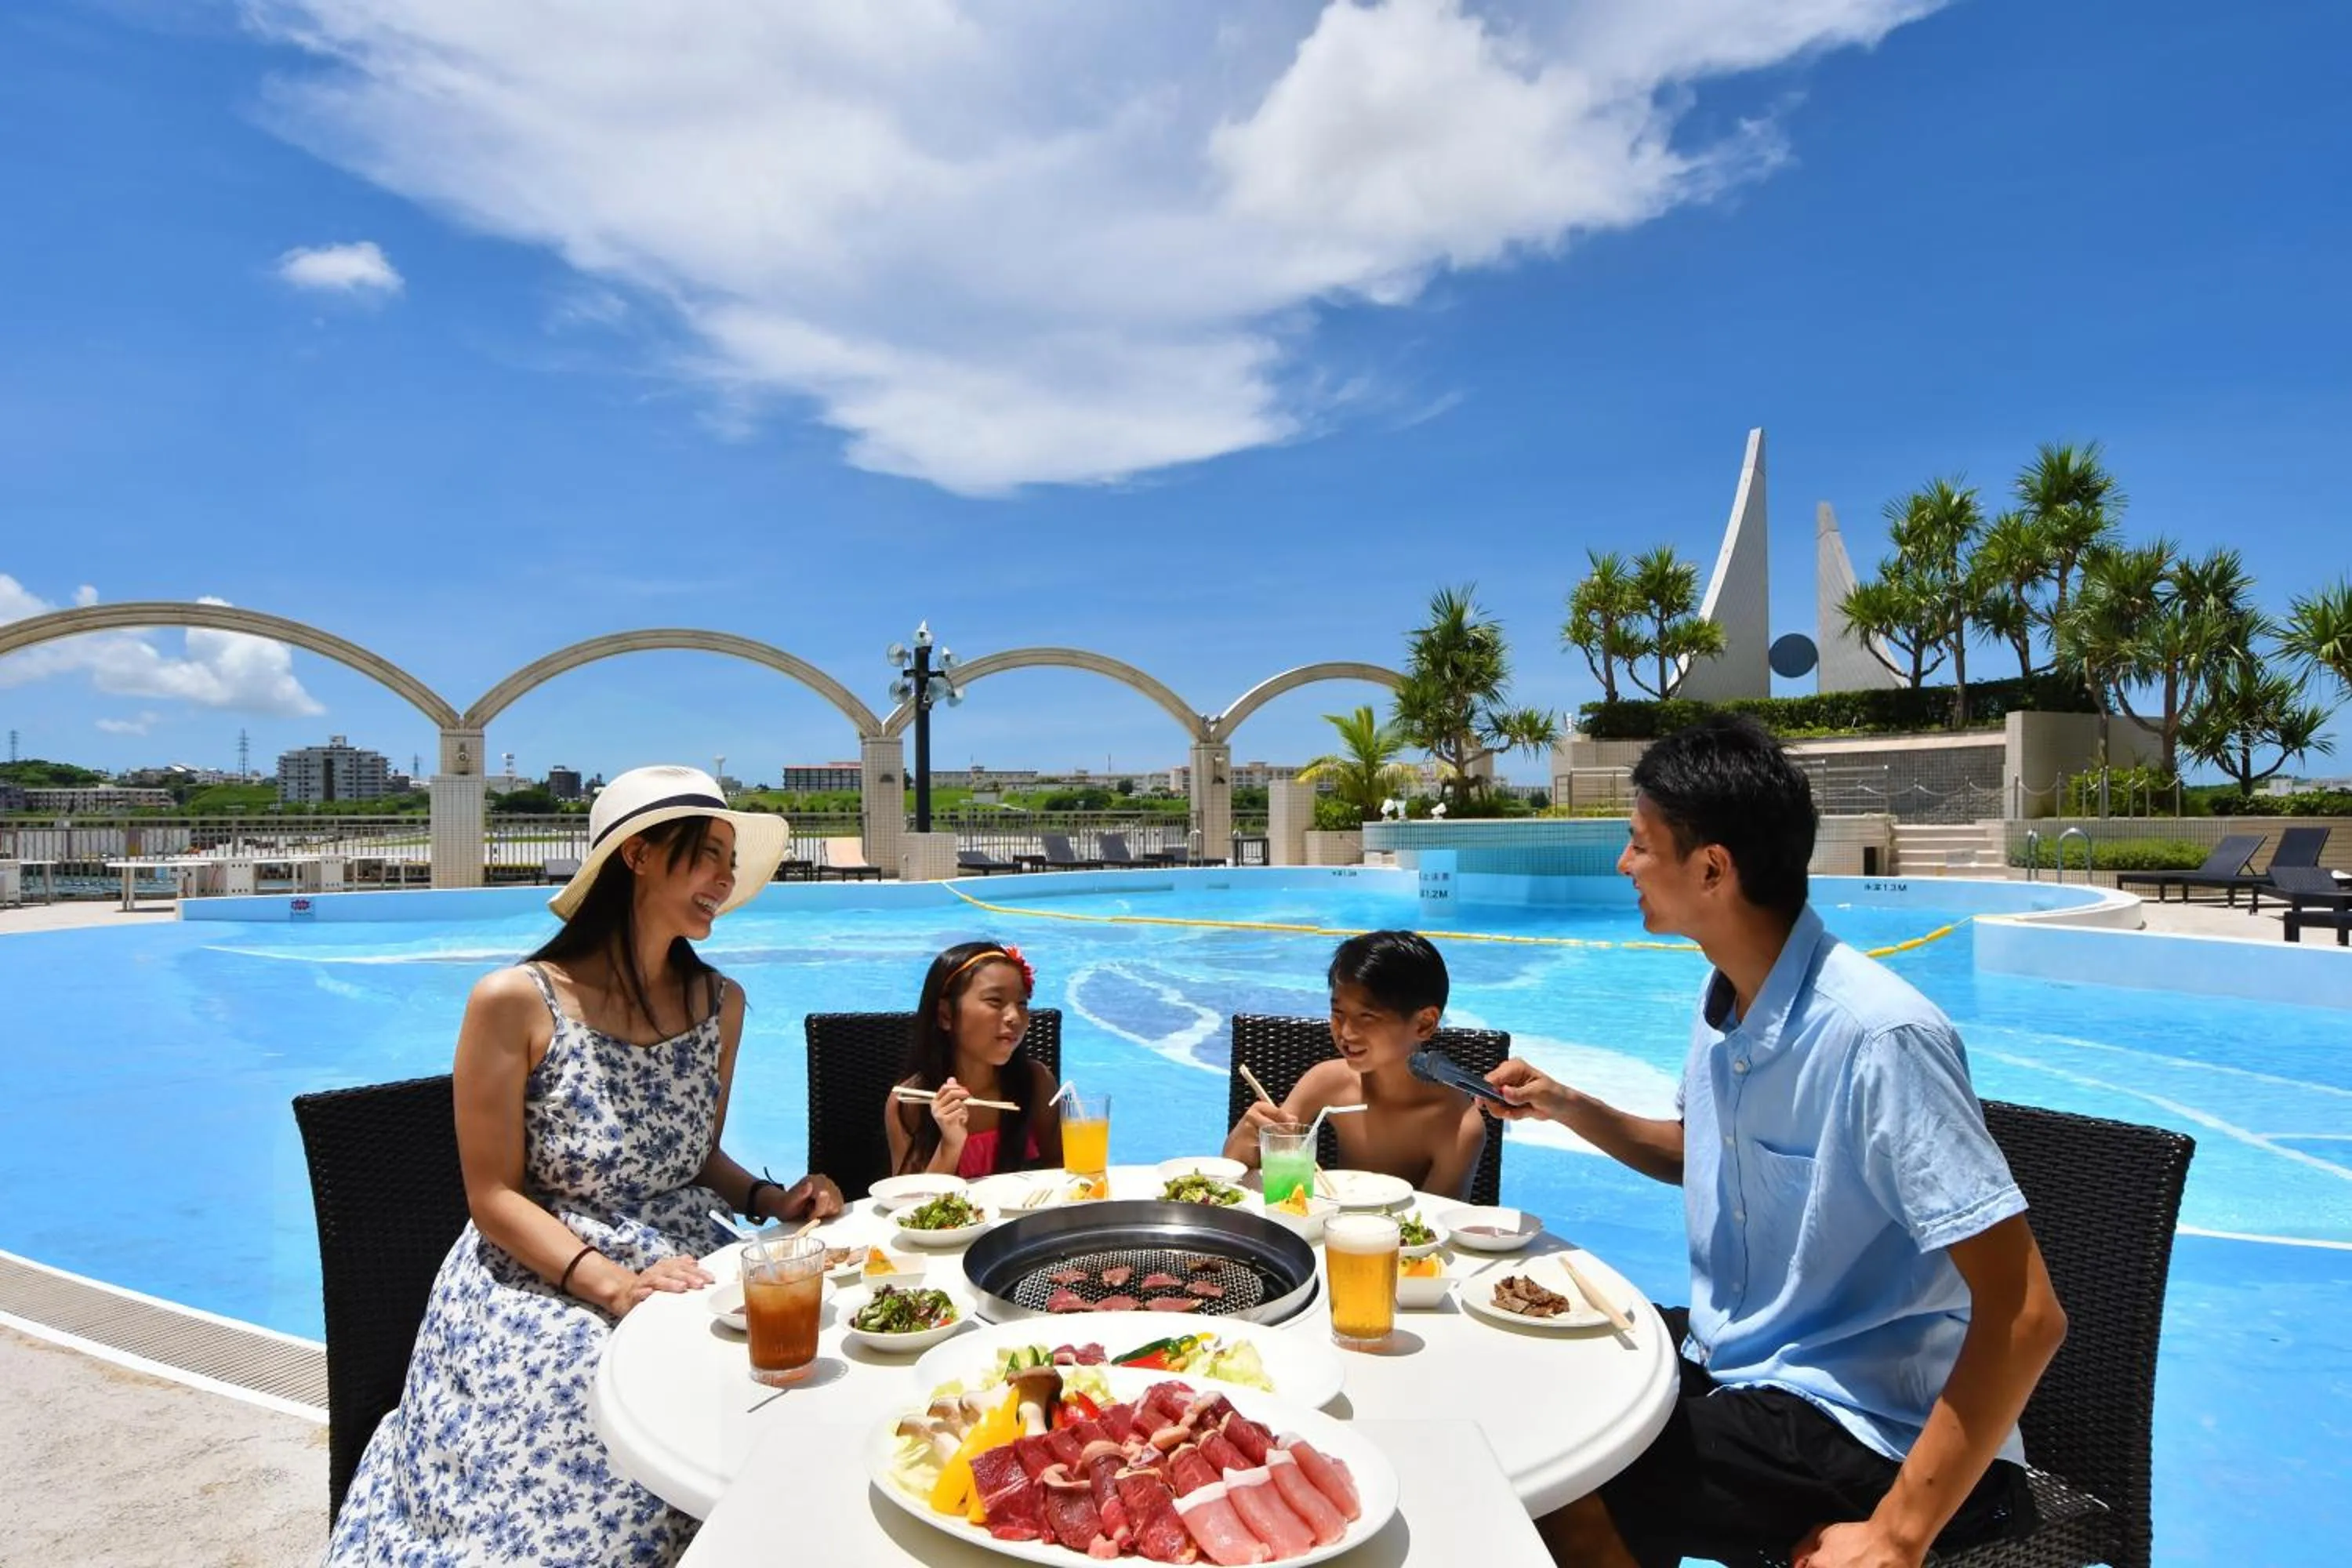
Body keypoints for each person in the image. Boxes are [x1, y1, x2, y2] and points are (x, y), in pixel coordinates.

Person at [1484, 716, 2066, 1568]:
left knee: (1577, 1493)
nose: (1623, 864)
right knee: (1550, 1398)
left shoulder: (1880, 1035)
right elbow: (1703, 1154)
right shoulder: (1728, 998)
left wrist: (1897, 1533)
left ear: (1712, 867)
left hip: (1865, 1412)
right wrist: (1571, 1105)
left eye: (1639, 843)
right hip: (1743, 1358)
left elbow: (2026, 1312)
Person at [325, 765, 844, 1566]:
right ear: (638, 855)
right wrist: (614, 1284)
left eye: (729, 859)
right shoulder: (515, 1001)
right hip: (545, 1276)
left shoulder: (719, 1001)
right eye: (708, 852)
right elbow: (493, 1192)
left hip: (684, 1265)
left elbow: (696, 1155)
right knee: (613, 1466)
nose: (726, 877)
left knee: (802, 1399)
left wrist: (776, 1196)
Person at [1221, 929, 1487, 1201]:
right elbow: (1251, 1175)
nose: (1346, 1033)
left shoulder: (1457, 1125)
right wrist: (1243, 1146)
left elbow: (1438, 1226)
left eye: (1367, 1016)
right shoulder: (1326, 1082)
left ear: (1424, 1023)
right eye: (1338, 1013)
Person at [887, 940, 1064, 1178]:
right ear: (946, 1015)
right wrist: (950, 1146)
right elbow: (908, 1207)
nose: (1015, 1016)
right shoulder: (909, 1101)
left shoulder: (1036, 1083)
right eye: (995, 1001)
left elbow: (1062, 1170)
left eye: (1022, 1003)